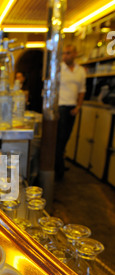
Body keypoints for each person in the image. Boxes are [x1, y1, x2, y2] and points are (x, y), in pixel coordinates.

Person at [55, 44, 86, 180]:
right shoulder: (59, 69)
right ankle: (59, 169)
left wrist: (78, 106)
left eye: (68, 53)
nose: (65, 56)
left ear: (74, 54)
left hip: (72, 109)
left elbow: (82, 91)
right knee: (60, 139)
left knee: (66, 137)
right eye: (64, 53)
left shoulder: (80, 71)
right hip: (60, 106)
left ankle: (59, 164)